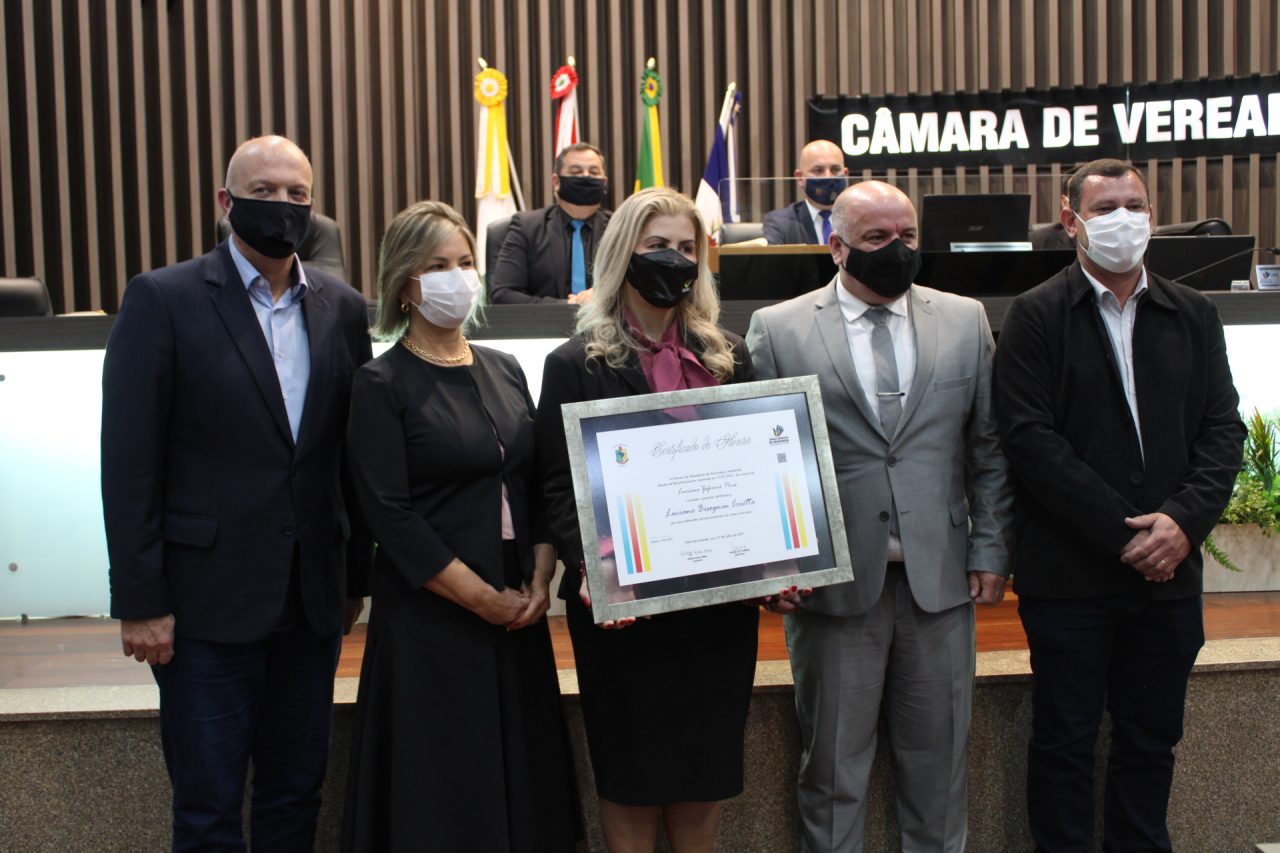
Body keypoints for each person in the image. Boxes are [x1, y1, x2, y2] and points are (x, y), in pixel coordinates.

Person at [100, 134, 373, 850]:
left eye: (297, 194)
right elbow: (128, 463)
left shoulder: (343, 309)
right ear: (226, 202)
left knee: (294, 796)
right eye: (264, 192)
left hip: (311, 603)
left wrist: (353, 577)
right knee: (208, 807)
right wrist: (140, 599)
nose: (282, 206)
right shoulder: (163, 299)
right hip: (201, 607)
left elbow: (348, 454)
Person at [747, 180, 1014, 852]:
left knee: (940, 771)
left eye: (908, 236)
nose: (897, 249)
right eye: (877, 238)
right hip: (833, 586)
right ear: (836, 247)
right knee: (832, 772)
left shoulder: (964, 318)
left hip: (942, 579)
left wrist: (990, 549)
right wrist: (774, 563)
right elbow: (765, 461)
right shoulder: (778, 328)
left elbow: (988, 449)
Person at [993, 158, 1245, 852]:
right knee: (1066, 742)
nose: (1123, 220)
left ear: (1153, 216)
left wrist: (1182, 525)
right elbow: (1030, 441)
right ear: (1071, 220)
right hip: (1071, 580)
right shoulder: (1035, 315)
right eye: (1105, 208)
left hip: (1170, 582)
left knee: (1151, 742)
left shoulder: (1192, 313)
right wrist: (1128, 536)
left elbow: (1223, 431)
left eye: (1134, 205)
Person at [340, 201, 579, 851]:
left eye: (466, 262)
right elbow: (389, 513)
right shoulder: (380, 381)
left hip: (517, 608)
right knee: (446, 787)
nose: (458, 276)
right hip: (434, 614)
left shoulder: (502, 367)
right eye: (437, 265)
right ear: (403, 284)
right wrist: (480, 598)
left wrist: (539, 571)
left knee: (522, 776)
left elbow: (531, 478)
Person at [536, 187, 763, 852]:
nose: (674, 258)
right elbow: (556, 484)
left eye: (686, 248)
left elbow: (755, 475)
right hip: (624, 611)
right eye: (657, 245)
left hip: (717, 609)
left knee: (704, 775)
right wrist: (592, 567)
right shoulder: (575, 363)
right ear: (622, 253)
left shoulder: (731, 354)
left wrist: (780, 559)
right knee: (630, 777)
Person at [489, 141, 612, 304]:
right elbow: (503, 294)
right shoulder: (526, 227)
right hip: (543, 327)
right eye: (576, 172)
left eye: (593, 172)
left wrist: (604, 295)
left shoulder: (620, 228)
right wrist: (564, 306)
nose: (586, 176)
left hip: (607, 326)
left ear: (604, 183)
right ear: (556, 181)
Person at [763, 139, 849, 245]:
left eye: (835, 170)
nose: (828, 177)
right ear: (800, 177)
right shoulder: (780, 222)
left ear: (845, 174)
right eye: (818, 170)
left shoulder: (860, 219)